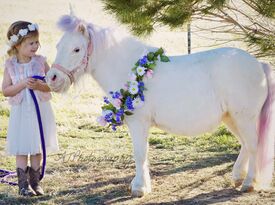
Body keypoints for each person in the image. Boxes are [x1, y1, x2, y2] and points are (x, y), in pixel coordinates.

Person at [1, 21, 59, 196]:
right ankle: (23, 185)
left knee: (36, 147)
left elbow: (52, 85)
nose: (35, 46)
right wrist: (22, 84)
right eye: (30, 43)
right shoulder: (10, 64)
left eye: (36, 42)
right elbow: (5, 91)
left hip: (38, 111)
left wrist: (40, 86)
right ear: (18, 45)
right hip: (21, 112)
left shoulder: (41, 61)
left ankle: (36, 182)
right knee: (22, 147)